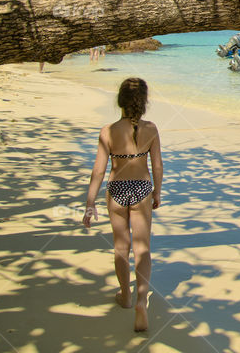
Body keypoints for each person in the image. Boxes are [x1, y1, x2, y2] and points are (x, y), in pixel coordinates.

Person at [82, 77, 163, 332]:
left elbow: (98, 171)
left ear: (120, 100)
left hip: (116, 190)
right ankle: (141, 300)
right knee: (143, 248)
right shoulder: (151, 129)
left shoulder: (108, 131)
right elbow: (157, 166)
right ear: (144, 102)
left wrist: (90, 203)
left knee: (121, 246)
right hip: (141, 191)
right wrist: (157, 192)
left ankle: (125, 296)